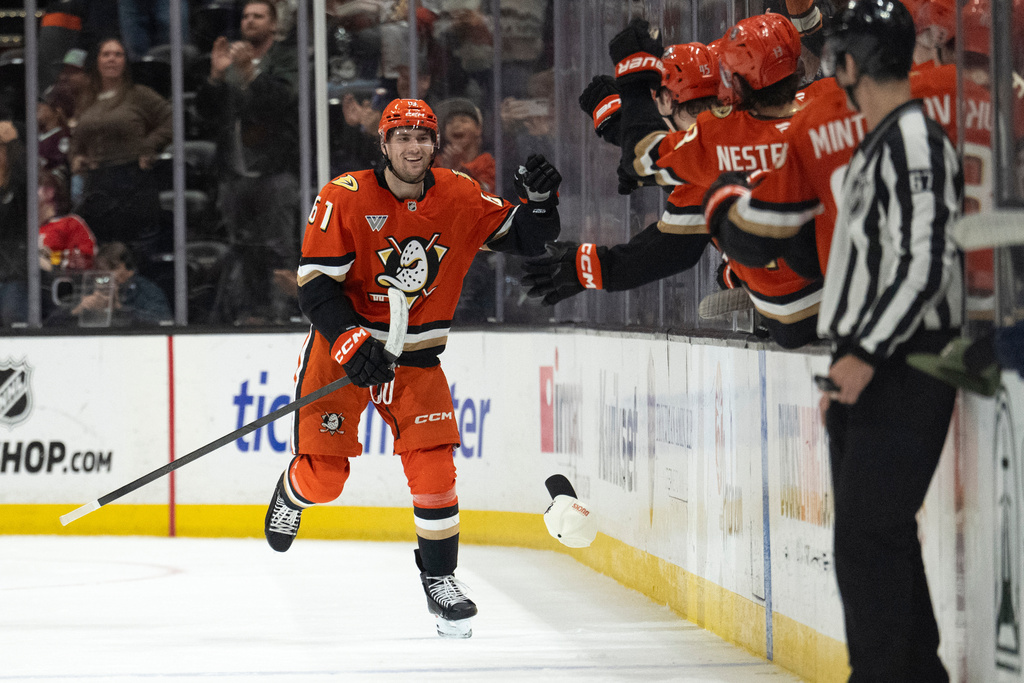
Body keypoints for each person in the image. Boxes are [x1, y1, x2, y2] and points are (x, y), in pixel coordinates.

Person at [263, 98, 561, 638]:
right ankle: (292, 491)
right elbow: (314, 286)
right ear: (384, 145)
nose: (413, 147)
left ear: (434, 144)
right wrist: (353, 342)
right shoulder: (344, 196)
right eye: (402, 137)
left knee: (435, 469)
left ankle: (440, 580)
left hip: (416, 359)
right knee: (326, 480)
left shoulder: (460, 193)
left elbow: (526, 237)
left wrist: (541, 203)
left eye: (423, 137)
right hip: (345, 353)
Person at [815, 1, 963, 679]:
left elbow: (925, 261)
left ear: (850, 64)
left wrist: (865, 352)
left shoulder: (911, 139)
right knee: (882, 536)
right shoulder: (888, 140)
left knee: (868, 541)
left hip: (902, 365)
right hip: (878, 365)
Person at [195, 0, 300, 325]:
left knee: (278, 250)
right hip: (235, 173)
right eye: (246, 16)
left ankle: (280, 315)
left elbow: (282, 103)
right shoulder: (229, 58)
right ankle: (242, 316)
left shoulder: (285, 57)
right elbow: (206, 115)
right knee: (238, 250)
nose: (250, 21)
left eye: (258, 16)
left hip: (276, 173)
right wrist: (214, 77)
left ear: (273, 24)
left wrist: (250, 74)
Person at [69, 37, 172, 266]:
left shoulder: (139, 94)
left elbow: (171, 119)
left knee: (134, 256)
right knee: (103, 254)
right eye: (106, 54)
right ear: (97, 61)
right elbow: (77, 142)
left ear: (125, 61)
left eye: (118, 54)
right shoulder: (87, 99)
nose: (112, 59)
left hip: (133, 181)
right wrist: (76, 158)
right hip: (97, 185)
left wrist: (150, 144)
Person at [71, 241, 171, 326]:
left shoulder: (147, 291)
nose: (104, 277)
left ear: (122, 266)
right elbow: (58, 320)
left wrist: (120, 310)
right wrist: (79, 310)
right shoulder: (92, 288)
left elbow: (164, 322)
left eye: (111, 270)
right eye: (101, 272)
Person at [0, 116, 28, 327]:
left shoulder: (19, 185)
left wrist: (14, 142)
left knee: (12, 317)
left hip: (12, 269)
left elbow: (25, 179)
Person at [435, 97, 494, 192]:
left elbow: (488, 195)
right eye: (450, 122)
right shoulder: (436, 163)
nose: (456, 125)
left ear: (478, 129)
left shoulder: (488, 164)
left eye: (463, 120)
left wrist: (459, 170)